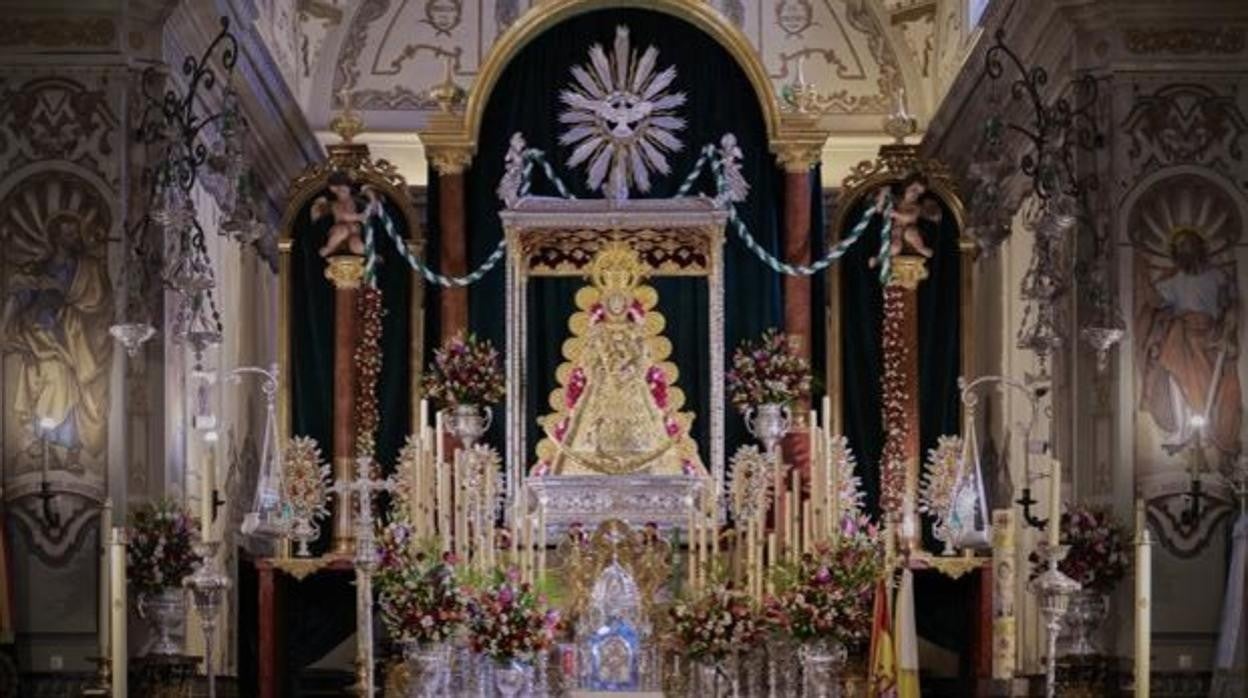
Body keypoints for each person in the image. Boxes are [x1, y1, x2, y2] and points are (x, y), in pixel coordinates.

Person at [869, 172, 941, 268]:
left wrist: (895, 214)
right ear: (906, 187)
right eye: (914, 189)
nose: (915, 194)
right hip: (896, 230)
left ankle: (920, 248)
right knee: (895, 247)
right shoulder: (896, 201)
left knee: (910, 233)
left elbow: (910, 217)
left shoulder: (916, 206)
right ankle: (879, 258)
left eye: (919, 193)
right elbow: (879, 209)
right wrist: (883, 193)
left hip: (909, 228)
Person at [312, 170, 379, 257]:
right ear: (334, 190)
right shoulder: (335, 203)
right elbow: (344, 216)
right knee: (342, 231)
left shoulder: (356, 200)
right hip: (340, 228)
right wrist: (360, 217)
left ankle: (370, 254)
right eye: (339, 189)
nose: (343, 191)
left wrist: (372, 203)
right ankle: (329, 247)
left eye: (345, 188)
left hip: (353, 231)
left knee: (356, 244)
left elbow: (369, 200)